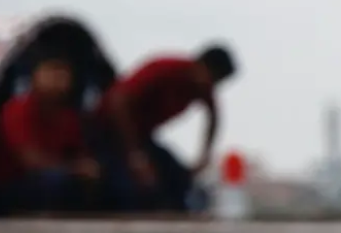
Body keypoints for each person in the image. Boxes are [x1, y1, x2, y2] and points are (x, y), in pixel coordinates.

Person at [92, 44, 237, 212]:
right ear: (201, 66)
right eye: (212, 79)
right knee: (128, 184)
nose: (211, 87)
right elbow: (118, 102)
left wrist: (204, 155)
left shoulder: (203, 88)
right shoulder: (167, 68)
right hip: (106, 129)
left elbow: (214, 117)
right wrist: (135, 155)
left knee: (178, 178)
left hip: (141, 136)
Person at [0, 52, 100, 216]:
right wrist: (74, 169)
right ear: (35, 76)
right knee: (55, 181)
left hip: (54, 179)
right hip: (13, 185)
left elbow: (78, 152)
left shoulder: (68, 116)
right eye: (51, 72)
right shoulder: (17, 109)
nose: (57, 79)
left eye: (63, 73)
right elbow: (30, 161)